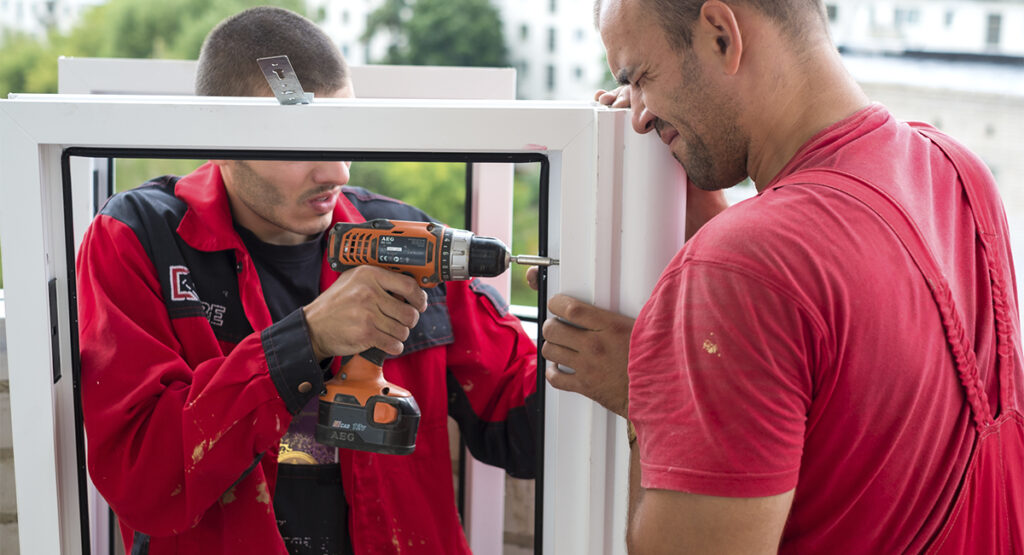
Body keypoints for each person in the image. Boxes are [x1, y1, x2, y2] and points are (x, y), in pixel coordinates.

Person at [538, 0, 1024, 552]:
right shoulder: (957, 170)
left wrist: (650, 394)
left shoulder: (744, 268)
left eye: (640, 76)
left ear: (722, 35)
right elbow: (851, 405)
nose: (640, 114)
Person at [76, 7, 539, 554]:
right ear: (220, 139)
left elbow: (527, 433)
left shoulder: (402, 242)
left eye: (342, 133)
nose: (337, 172)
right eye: (302, 141)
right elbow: (143, 480)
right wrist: (307, 340)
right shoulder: (139, 239)